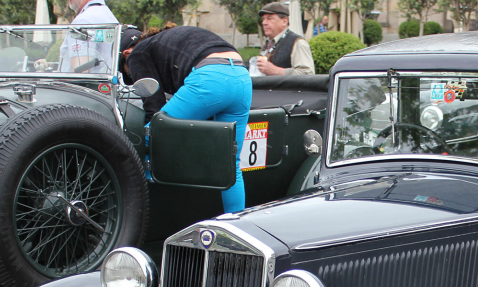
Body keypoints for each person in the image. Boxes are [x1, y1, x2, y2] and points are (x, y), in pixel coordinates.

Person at [120, 24, 254, 214]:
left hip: (210, 78)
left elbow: (153, 107)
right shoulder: (168, 41)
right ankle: (236, 223)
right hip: (241, 76)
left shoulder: (137, 53)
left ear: (126, 53)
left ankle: (139, 214)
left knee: (150, 136)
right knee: (231, 163)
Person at [256, 2, 315, 76]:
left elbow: (307, 74)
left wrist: (276, 71)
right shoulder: (269, 43)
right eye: (263, 19)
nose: (264, 22)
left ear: (284, 21)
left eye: (269, 18)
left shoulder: (297, 42)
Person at [59, 0, 118, 73]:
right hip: (105, 81)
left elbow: (80, 71)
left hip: (90, 83)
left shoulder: (83, 21)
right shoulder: (108, 15)